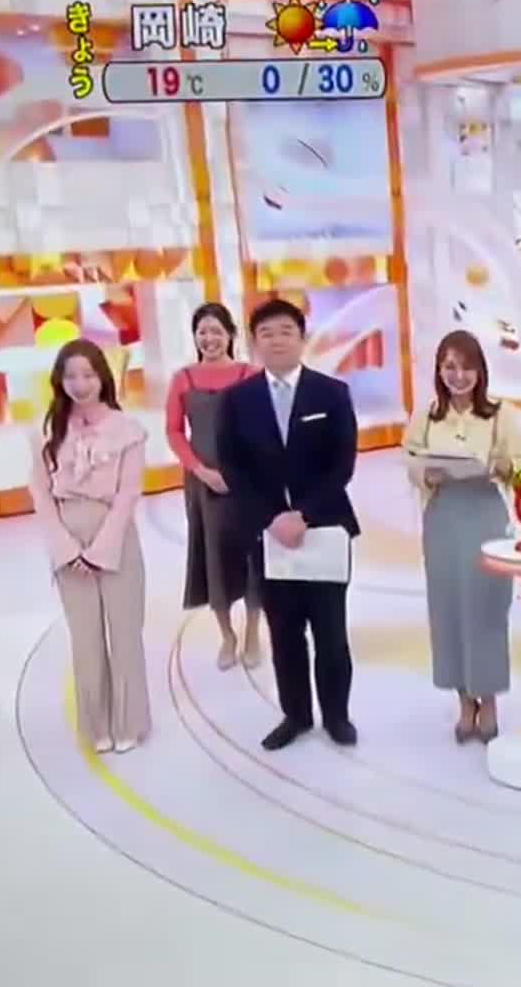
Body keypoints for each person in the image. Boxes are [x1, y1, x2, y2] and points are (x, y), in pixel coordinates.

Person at [218, 298, 361, 751]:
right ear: (254, 342)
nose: (276, 340)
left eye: (286, 331)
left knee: (331, 633)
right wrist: (270, 518)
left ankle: (336, 716)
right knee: (284, 633)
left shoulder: (331, 393)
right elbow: (232, 467)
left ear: (302, 338)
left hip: (324, 530)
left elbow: (342, 464)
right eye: (266, 333)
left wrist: (305, 514)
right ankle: (295, 715)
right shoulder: (237, 400)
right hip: (268, 537)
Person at [403, 329, 521, 743]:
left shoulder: (500, 414)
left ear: (480, 371)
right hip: (443, 516)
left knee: (487, 607)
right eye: (450, 367)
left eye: (467, 367)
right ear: (439, 371)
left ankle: (488, 698)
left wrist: (505, 467)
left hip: (485, 515)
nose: (458, 375)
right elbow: (409, 457)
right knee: (448, 609)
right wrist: (426, 473)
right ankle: (463, 699)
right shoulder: (427, 415)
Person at [30, 339, 152, 754]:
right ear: (59, 381)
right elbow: (40, 493)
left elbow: (129, 493)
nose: (80, 384)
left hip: (115, 535)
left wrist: (101, 550)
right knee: (85, 640)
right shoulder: (47, 430)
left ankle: (129, 722)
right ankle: (96, 725)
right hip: (67, 534)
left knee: (125, 634)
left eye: (88, 375)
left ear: (102, 378)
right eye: (71, 376)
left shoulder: (128, 429)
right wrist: (65, 548)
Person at [166, 302, 263, 670]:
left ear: (231, 335)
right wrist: (201, 470)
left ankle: (253, 634)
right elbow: (174, 431)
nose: (209, 338)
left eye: (216, 331)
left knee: (253, 558)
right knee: (214, 558)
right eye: (202, 331)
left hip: (248, 482)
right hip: (203, 485)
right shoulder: (183, 379)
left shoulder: (250, 374)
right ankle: (227, 636)